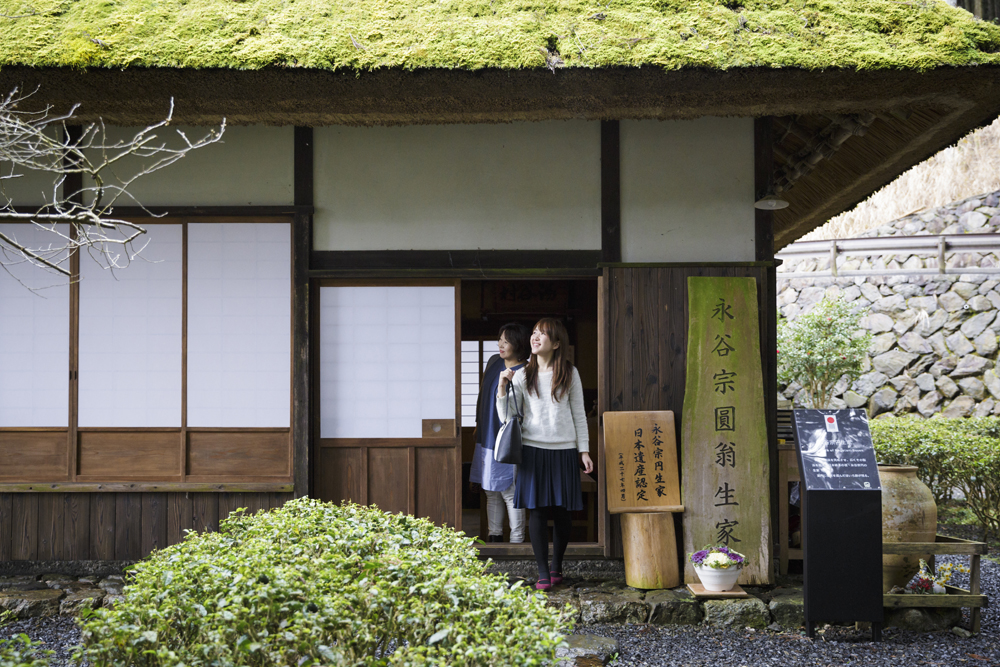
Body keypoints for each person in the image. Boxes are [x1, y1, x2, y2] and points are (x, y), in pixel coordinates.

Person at [498, 317, 593, 590]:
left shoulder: (569, 373)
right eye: (535, 333)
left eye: (543, 334)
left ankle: (556, 567)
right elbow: (509, 416)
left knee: (562, 512)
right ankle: (542, 571)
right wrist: (503, 387)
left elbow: (579, 415)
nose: (535, 337)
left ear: (557, 342)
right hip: (532, 449)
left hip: (564, 449)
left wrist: (583, 450)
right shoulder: (522, 374)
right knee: (537, 512)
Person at [469, 323, 530, 543]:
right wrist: (479, 422)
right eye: (500, 339)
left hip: (509, 439)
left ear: (519, 344)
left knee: (509, 490)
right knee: (490, 489)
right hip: (487, 434)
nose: (500, 344)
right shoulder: (494, 361)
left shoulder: (525, 372)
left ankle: (517, 540)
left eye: (507, 340)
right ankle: (494, 537)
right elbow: (482, 393)